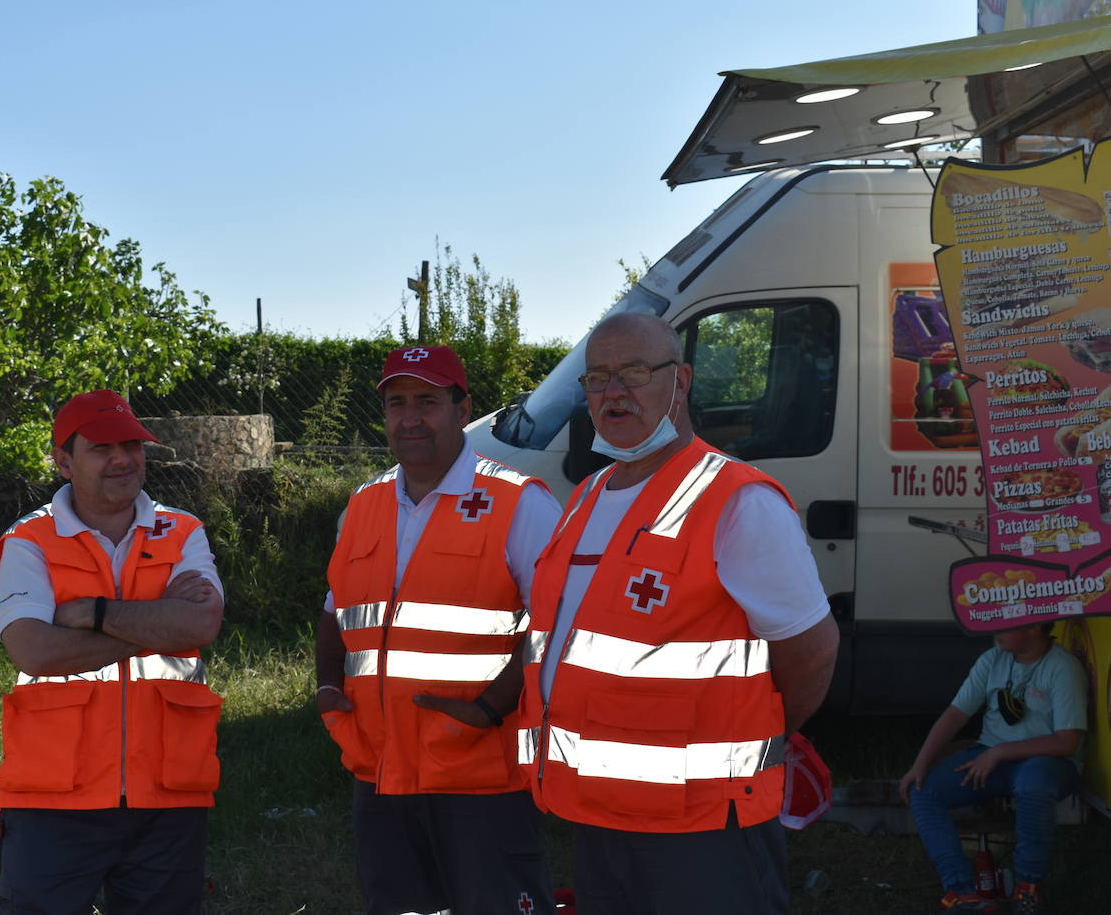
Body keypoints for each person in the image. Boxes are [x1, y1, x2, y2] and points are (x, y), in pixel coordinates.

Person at [515, 312, 839, 915]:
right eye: (597, 378)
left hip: (703, 821)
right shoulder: (587, 496)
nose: (613, 393)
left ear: (681, 382)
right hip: (595, 811)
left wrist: (759, 735)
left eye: (635, 372)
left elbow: (812, 652)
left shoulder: (738, 500)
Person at [316, 345, 563, 915]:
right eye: (396, 403)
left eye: (426, 401)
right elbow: (334, 612)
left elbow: (557, 626)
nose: (409, 418)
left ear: (462, 408)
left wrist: (489, 709)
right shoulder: (364, 503)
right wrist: (329, 688)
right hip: (378, 771)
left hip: (479, 773)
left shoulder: (518, 503)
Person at [0, 389, 225, 914]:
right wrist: (157, 620)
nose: (123, 459)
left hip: (168, 790)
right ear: (63, 461)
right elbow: (34, 651)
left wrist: (91, 613)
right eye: (102, 448)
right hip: (53, 794)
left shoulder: (183, 531)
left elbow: (202, 622)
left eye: (132, 445)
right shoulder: (28, 539)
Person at [900, 622, 1087, 914]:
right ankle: (962, 893)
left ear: (1035, 626)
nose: (996, 628)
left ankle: (1028, 890)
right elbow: (955, 714)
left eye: (1007, 623)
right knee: (923, 791)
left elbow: (1067, 743)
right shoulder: (992, 659)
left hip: (1048, 762)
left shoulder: (1063, 667)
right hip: (990, 756)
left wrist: (1000, 752)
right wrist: (919, 764)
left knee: (1033, 782)